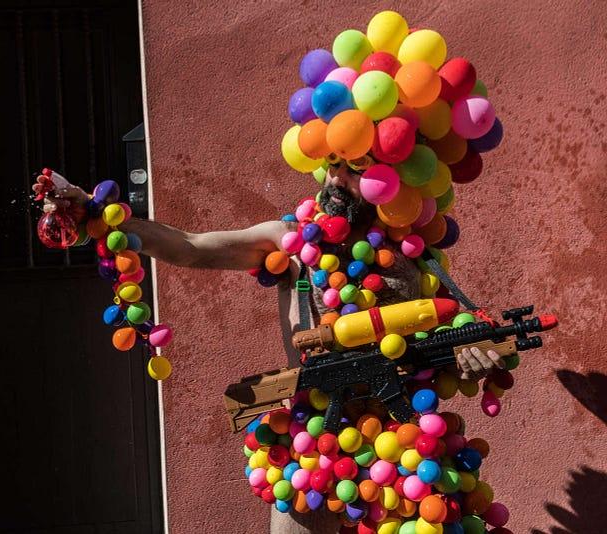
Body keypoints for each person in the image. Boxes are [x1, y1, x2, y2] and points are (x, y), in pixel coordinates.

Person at [33, 161, 504, 533]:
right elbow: (192, 247)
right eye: (334, 163)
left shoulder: (416, 256)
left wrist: (476, 358)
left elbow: (464, 331)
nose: (336, 179)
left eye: (356, 169)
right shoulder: (293, 242)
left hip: (409, 442)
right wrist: (95, 213)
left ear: (393, 179)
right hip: (316, 436)